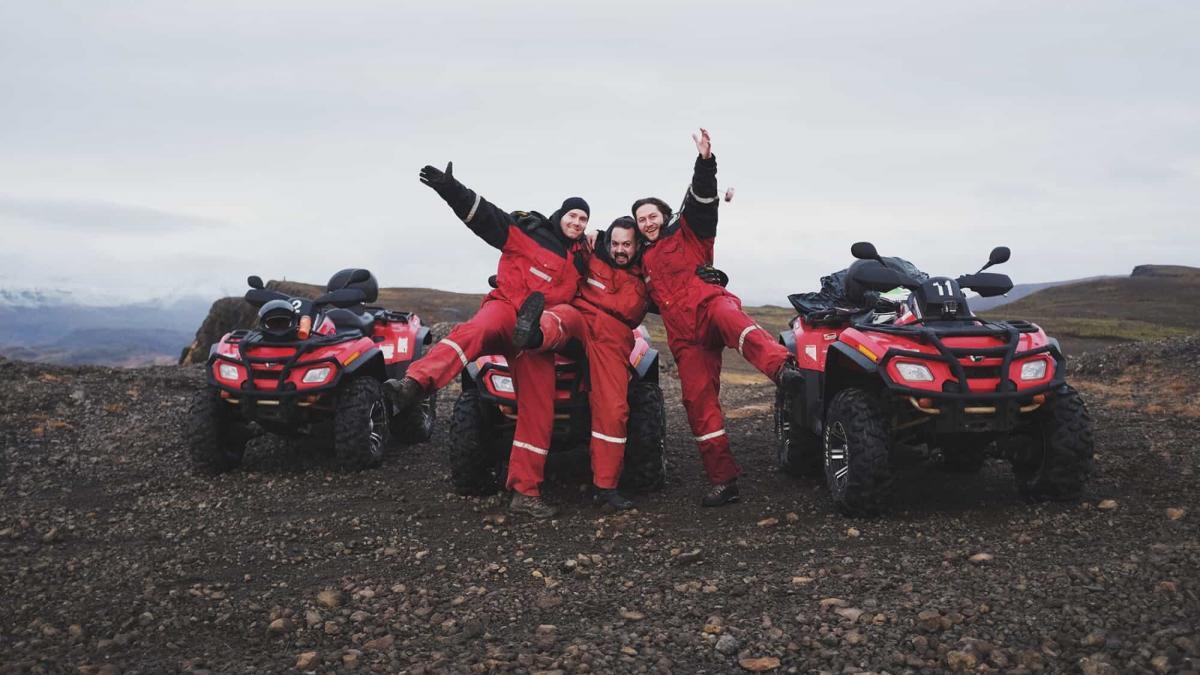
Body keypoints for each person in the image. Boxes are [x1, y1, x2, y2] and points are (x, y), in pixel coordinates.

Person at [385, 162, 588, 519]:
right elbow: (485, 217)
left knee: (539, 411)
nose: (577, 223)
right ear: (560, 215)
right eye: (573, 215)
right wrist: (450, 188)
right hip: (507, 308)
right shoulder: (529, 232)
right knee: (473, 333)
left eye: (583, 219)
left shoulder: (581, 260)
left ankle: (525, 493)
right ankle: (414, 385)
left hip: (535, 338)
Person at [631, 129, 803, 507]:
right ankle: (723, 481)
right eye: (640, 219)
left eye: (651, 215)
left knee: (735, 321)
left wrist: (705, 162)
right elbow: (645, 298)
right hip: (684, 337)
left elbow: (703, 200)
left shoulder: (689, 231)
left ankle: (784, 372)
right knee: (698, 403)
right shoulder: (639, 262)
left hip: (709, 306)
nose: (647, 222)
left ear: (663, 214)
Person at [511, 217, 648, 511]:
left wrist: (706, 276)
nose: (619, 250)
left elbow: (677, 287)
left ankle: (605, 487)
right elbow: (562, 243)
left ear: (637, 245)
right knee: (560, 315)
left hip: (613, 337)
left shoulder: (648, 273)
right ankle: (533, 335)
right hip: (580, 317)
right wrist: (544, 224)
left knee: (613, 409)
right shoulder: (590, 251)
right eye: (614, 243)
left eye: (626, 244)